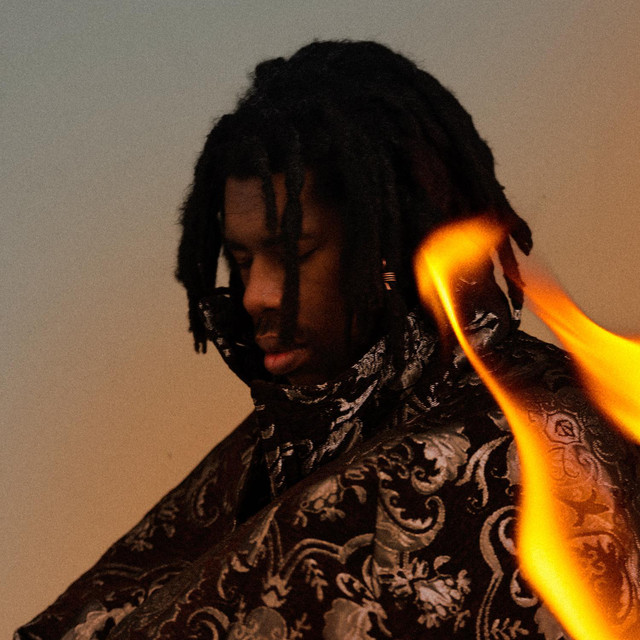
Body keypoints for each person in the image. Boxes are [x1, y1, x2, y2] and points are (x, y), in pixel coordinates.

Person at [17, 40, 640, 640]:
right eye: (241, 260)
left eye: (293, 255)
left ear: (386, 245)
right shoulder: (266, 450)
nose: (256, 295)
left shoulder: (532, 435)